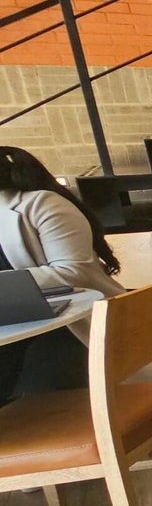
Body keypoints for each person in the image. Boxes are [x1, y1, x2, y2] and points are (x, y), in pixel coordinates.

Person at [0, 147, 124, 404]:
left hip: (71, 329)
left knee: (27, 405)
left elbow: (72, 271)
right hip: (15, 330)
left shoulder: (41, 205)